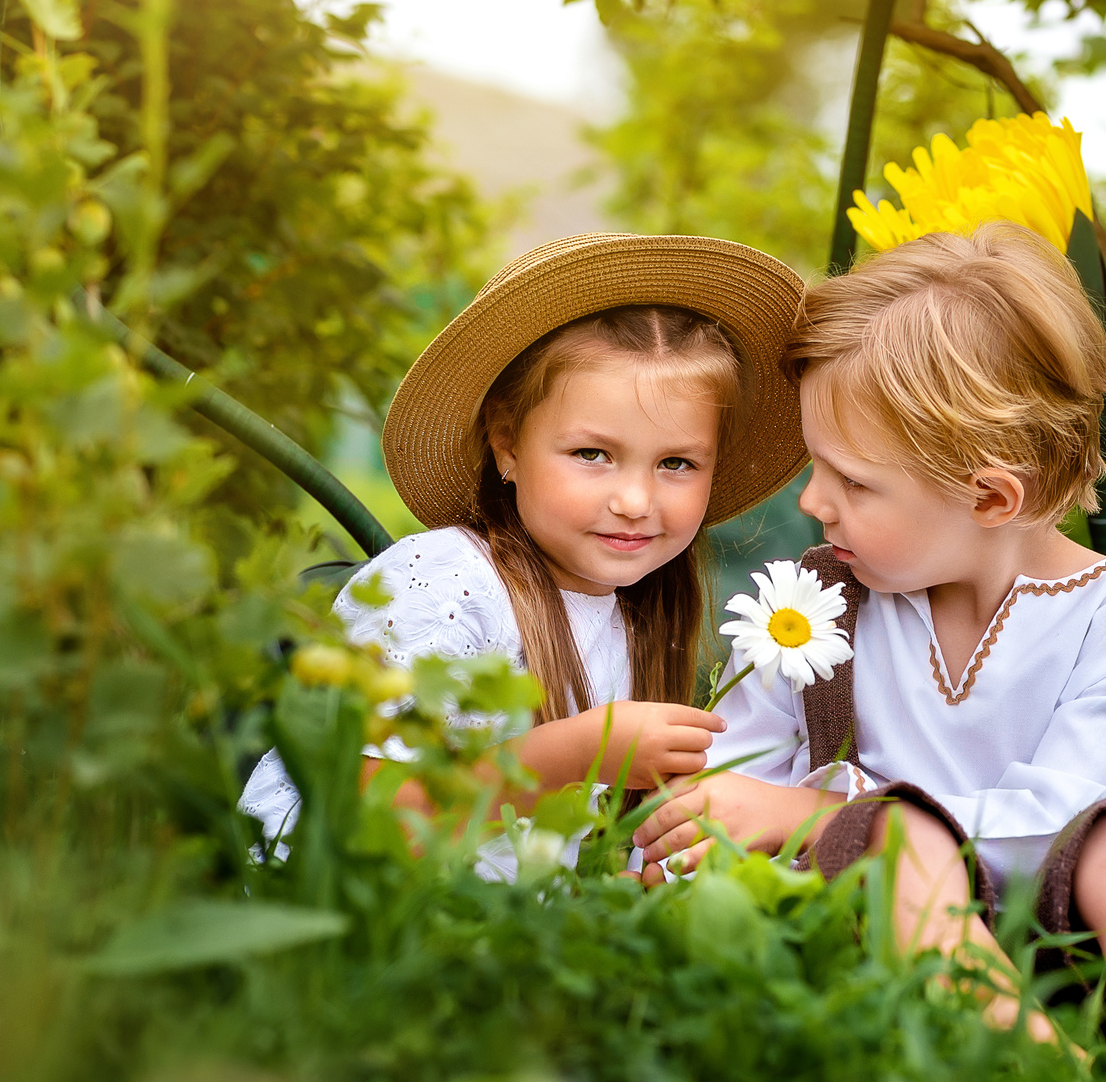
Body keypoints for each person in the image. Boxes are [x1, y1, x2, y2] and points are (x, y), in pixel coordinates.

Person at [633, 224, 1106, 1040]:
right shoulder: (817, 603)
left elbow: (1055, 827)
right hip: (853, 941)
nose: (815, 501)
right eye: (819, 464)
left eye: (854, 479)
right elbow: (739, 786)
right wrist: (706, 829)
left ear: (991, 498)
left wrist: (826, 814)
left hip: (1062, 953)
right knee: (903, 852)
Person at [240, 234, 809, 869]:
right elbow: (368, 821)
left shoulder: (635, 615)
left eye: (676, 463)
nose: (635, 499)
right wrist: (575, 753)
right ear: (507, 446)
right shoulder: (445, 586)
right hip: (339, 928)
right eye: (592, 454)